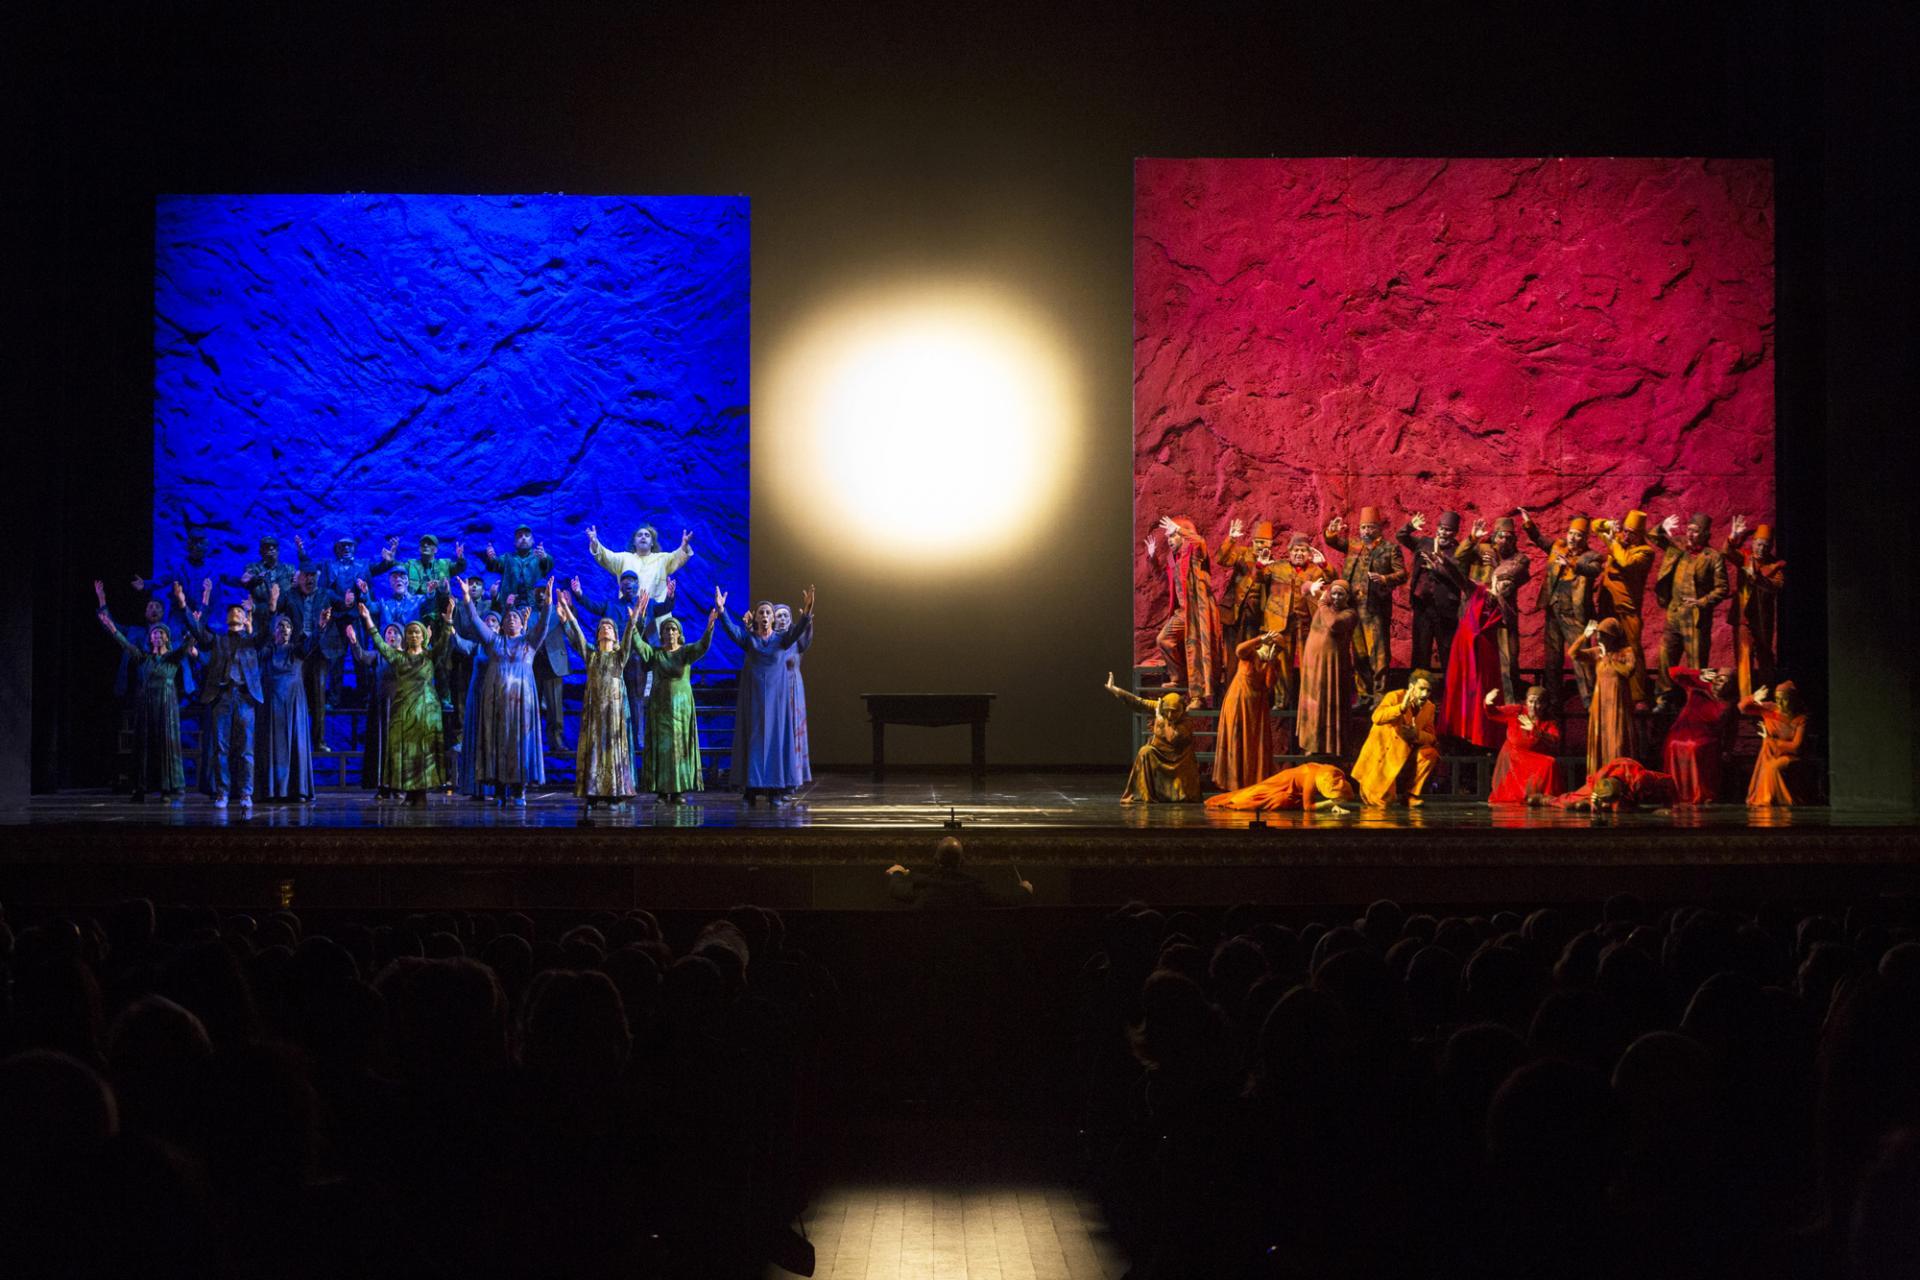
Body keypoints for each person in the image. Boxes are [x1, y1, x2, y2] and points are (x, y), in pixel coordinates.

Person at [458, 577, 552, 806]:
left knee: (520, 742)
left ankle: (519, 790)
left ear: (522, 624)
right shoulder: (493, 642)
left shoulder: (529, 643)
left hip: (522, 703)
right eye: (508, 617)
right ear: (502, 625)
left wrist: (548, 604)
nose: (511, 620)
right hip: (496, 702)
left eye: (516, 618)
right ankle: (499, 789)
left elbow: (543, 627)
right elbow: (474, 620)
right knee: (496, 741)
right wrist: (467, 598)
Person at [95, 591, 196, 802]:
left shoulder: (172, 658)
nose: (157, 636)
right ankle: (140, 787)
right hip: (145, 702)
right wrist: (112, 627)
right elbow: (125, 644)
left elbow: (188, 645)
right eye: (154, 634)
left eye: (161, 634)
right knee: (143, 743)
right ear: (150, 638)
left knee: (166, 744)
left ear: (167, 638)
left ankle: (167, 788)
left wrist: (194, 622)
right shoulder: (143, 658)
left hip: (166, 704)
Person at [720, 590, 815, 802]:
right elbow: (732, 631)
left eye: (768, 613)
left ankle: (775, 790)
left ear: (772, 618)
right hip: (753, 699)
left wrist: (807, 612)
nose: (765, 616)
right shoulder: (749, 639)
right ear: (755, 617)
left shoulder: (782, 640)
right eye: (761, 612)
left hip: (776, 701)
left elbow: (800, 630)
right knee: (753, 741)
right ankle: (752, 789)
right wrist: (721, 610)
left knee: (775, 740)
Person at [353, 599, 451, 805]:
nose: (413, 635)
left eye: (417, 632)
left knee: (423, 752)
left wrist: (449, 622)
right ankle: (409, 792)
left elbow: (443, 644)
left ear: (423, 636)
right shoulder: (398, 658)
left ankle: (421, 792)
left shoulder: (429, 656)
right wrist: (368, 619)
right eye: (410, 632)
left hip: (425, 710)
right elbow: (379, 642)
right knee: (405, 752)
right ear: (405, 637)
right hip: (403, 710)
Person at [178, 584, 264, 810]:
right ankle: (222, 792)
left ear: (246, 618)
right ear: (226, 618)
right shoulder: (217, 640)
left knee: (246, 750)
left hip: (245, 698)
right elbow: (198, 631)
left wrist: (259, 616)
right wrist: (183, 605)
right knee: (221, 748)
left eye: (240, 611)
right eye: (232, 611)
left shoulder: (252, 640)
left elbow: (266, 635)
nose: (235, 613)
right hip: (222, 697)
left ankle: (246, 793)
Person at [554, 591, 641, 809]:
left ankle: (613, 793)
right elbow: (578, 636)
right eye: (602, 627)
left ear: (615, 634)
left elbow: (630, 640)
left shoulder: (619, 657)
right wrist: (568, 612)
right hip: (594, 709)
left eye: (609, 627)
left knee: (613, 748)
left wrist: (634, 619)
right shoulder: (592, 655)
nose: (605, 628)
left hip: (614, 710)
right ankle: (592, 793)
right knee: (594, 747)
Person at [632, 593, 721, 804]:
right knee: (662, 748)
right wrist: (636, 622)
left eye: (673, 629)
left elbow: (703, 646)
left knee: (680, 748)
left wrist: (710, 627)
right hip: (660, 708)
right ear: (661, 634)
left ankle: (679, 790)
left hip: (682, 709)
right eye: (666, 629)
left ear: (679, 633)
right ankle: (662, 791)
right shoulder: (655, 653)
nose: (670, 632)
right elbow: (638, 645)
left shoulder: (686, 652)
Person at [1323, 506, 1406, 707]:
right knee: (1358, 653)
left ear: (1378, 528)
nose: (1366, 532)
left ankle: (1379, 695)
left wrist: (1384, 578)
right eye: (1363, 528)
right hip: (1353, 608)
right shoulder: (1353, 545)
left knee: (1378, 654)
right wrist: (1331, 530)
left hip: (1375, 609)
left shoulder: (1389, 549)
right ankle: (1363, 694)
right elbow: (1332, 541)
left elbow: (1402, 574)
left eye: (1369, 527)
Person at [1650, 514, 1731, 711]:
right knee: (1666, 657)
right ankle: (1664, 698)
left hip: (1696, 618)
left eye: (1695, 531)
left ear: (1705, 535)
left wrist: (1702, 601)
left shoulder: (1712, 557)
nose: (1690, 534)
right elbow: (1653, 536)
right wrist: (1662, 525)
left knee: (1696, 662)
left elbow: (1722, 588)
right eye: (1689, 529)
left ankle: (1694, 702)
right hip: (1674, 613)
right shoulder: (1677, 545)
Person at [1520, 509, 1597, 712]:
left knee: (1581, 658)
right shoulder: (1558, 547)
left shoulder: (1591, 556)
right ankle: (1553, 703)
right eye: (1571, 533)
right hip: (1553, 611)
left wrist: (1571, 563)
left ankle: (1590, 702)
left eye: (1578, 534)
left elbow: (1593, 570)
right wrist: (1528, 522)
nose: (1573, 538)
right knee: (1552, 661)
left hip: (1574, 615)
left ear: (1585, 537)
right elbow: (1539, 539)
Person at [1144, 514, 1225, 708]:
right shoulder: (1174, 560)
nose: (1170, 540)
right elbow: (1165, 580)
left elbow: (1200, 542)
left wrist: (1179, 528)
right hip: (1182, 612)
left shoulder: (1195, 555)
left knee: (1197, 650)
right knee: (1164, 639)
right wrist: (1152, 557)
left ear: (1182, 536)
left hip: (1198, 612)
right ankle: (1178, 677)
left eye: (1173, 536)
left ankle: (1198, 697)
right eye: (1169, 537)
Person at [1432, 556, 1506, 749]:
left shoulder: (1502, 603)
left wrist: (1501, 595)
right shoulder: (1477, 591)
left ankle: (1481, 735)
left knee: (1484, 687)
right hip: (1465, 646)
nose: (1501, 584)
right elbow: (1460, 578)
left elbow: (1509, 620)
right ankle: (1459, 732)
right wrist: (1445, 560)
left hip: (1486, 649)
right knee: (1462, 687)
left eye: (1505, 582)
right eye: (1498, 580)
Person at [1587, 510, 1656, 706]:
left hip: (1627, 608)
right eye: (1625, 531)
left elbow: (1625, 562)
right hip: (1607, 605)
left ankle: (1638, 696)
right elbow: (1594, 526)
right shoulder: (1618, 539)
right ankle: (1605, 688)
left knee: (1632, 648)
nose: (1626, 535)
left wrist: (1613, 542)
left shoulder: (1644, 552)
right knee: (1605, 647)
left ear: (1640, 534)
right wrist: (1609, 524)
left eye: (1631, 533)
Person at [1459, 516, 1531, 700]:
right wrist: (1472, 538)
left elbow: (1509, 576)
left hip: (1503, 616)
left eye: (1508, 537)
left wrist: (1495, 565)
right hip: (1477, 614)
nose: (1504, 541)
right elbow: (1458, 556)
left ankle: (1509, 705)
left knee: (1508, 661)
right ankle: (1473, 704)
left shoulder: (1520, 559)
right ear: (1494, 536)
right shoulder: (1481, 549)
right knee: (1475, 660)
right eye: (1500, 536)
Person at [1103, 672, 1201, 803]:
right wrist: (1115, 689)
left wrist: (1160, 719)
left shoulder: (1185, 722)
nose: (1171, 715)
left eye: (1174, 711)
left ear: (1182, 709)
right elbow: (1139, 703)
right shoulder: (1161, 708)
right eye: (1168, 711)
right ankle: (1144, 794)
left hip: (1178, 759)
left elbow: (1172, 738)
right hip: (1160, 754)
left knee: (1151, 751)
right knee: (1145, 752)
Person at [253, 608, 317, 803]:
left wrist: (320, 627)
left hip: (294, 703)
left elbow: (310, 644)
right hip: (271, 704)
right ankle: (272, 790)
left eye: (288, 626)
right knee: (272, 745)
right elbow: (255, 648)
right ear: (274, 630)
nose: (285, 629)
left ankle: (298, 790)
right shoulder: (267, 651)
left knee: (295, 743)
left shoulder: (296, 650)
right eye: (281, 626)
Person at [1258, 534, 1329, 709]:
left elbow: (1331, 580)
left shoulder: (1315, 570)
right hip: (1280, 622)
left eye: (1303, 550)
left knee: (1309, 662)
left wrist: (1324, 564)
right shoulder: (1277, 567)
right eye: (1296, 550)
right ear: (1289, 552)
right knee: (1281, 662)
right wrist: (1260, 564)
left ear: (1309, 553)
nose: (1299, 553)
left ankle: (1308, 701)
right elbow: (1258, 578)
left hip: (1306, 623)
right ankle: (1282, 700)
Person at [1351, 669, 1440, 807]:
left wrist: (1416, 734)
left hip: (1404, 757)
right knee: (1383, 803)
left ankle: (1410, 796)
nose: (1425, 694)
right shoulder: (1394, 696)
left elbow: (1431, 737)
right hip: (1383, 758)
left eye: (1428, 691)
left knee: (1429, 754)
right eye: (1421, 689)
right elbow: (1377, 717)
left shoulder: (1429, 707)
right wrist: (1401, 708)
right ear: (1411, 687)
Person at [1293, 577, 1358, 757]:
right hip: (1313, 662)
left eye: (1340, 594)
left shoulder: (1350, 613)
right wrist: (1310, 586)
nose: (1336, 597)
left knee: (1329, 699)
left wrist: (1322, 603)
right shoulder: (1325, 600)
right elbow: (1304, 588)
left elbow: (1334, 624)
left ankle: (1330, 745)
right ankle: (1310, 743)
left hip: (1333, 665)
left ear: (1346, 597)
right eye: (1334, 593)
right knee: (1313, 700)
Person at [1211, 631, 1284, 791]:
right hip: (1239, 703)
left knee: (1254, 744)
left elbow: (1269, 685)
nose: (1275, 651)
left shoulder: (1274, 663)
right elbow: (1239, 650)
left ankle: (1253, 781)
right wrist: (1259, 639)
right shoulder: (1250, 654)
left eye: (1279, 650)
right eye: (1274, 647)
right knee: (1238, 740)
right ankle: (1235, 783)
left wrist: (1271, 662)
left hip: (1257, 710)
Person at [1399, 511, 1468, 672]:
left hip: (1446, 609)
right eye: (1442, 528)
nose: (1444, 532)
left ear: (1455, 533)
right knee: (1421, 650)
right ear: (1437, 529)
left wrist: (1438, 569)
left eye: (1448, 530)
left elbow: (1460, 579)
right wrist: (1410, 526)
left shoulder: (1460, 552)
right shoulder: (1424, 543)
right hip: (1422, 606)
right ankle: (1418, 689)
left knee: (1448, 651)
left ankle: (1450, 691)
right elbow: (1401, 536)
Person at [1568, 618, 1637, 776]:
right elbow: (1573, 654)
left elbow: (1628, 672)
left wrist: (1608, 658)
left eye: (1604, 635)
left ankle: (1618, 776)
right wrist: (1584, 636)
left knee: (1617, 740)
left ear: (1613, 636)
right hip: (1601, 705)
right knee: (1602, 739)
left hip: (1618, 704)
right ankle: (1601, 777)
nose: (1600, 639)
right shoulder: (1598, 652)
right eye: (1599, 635)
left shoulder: (1626, 652)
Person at [1724, 515, 1784, 699]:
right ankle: (1746, 699)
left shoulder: (1776, 566)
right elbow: (1727, 551)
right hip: (1743, 618)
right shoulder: (1745, 557)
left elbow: (1776, 585)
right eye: (1759, 544)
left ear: (1771, 547)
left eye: (1766, 545)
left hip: (1762, 621)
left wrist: (1757, 577)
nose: (1761, 548)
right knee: (1744, 659)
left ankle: (1765, 696)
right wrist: (1733, 537)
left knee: (1765, 659)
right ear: (1753, 543)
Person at [1662, 666, 1736, 805]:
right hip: (1682, 732)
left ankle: (1699, 794)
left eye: (1728, 682)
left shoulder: (1729, 703)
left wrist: (1728, 749)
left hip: (1707, 737)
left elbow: (1732, 729)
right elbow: (1673, 672)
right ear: (1714, 678)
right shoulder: (1700, 685)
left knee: (1695, 748)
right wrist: (1698, 673)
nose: (1723, 683)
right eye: (1720, 679)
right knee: (1674, 743)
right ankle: (1676, 794)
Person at [885, 837, 1034, 907]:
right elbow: (1005, 900)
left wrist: (898, 872)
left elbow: (896, 889)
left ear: (935, 860)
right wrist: (1025, 890)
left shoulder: (925, 886)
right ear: (962, 861)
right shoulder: (974, 887)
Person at [347, 621, 404, 800]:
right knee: (382, 746)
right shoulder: (378, 656)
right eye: (388, 633)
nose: (391, 635)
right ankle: (383, 786)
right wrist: (354, 642)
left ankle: (399, 786)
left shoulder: (407, 657)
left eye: (395, 632)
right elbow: (362, 656)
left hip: (400, 708)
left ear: (402, 637)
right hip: (381, 708)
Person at [1215, 517, 1276, 680]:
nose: (1260, 545)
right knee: (1232, 659)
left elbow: (1266, 581)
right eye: (1257, 542)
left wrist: (1262, 566)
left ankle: (1249, 694)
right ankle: (1229, 695)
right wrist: (1231, 538)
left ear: (1270, 544)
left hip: (1254, 618)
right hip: (1234, 614)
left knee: (1250, 656)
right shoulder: (1242, 553)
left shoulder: (1272, 564)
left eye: (1264, 542)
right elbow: (1220, 559)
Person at [1484, 686, 1562, 804]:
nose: (1533, 706)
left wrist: (1536, 731)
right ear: (1526, 701)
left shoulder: (1548, 720)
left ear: (1545, 705)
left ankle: (1545, 798)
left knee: (1550, 763)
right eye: (1531, 702)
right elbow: (1494, 712)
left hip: (1533, 756)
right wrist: (1488, 702)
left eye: (1538, 702)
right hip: (1513, 755)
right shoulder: (1517, 711)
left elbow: (1555, 739)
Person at [586, 521, 691, 607]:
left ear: (652, 543)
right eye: (639, 535)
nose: (643, 537)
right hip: (629, 614)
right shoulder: (624, 558)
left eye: (647, 535)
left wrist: (684, 546)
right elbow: (605, 556)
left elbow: (678, 556)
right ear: (634, 542)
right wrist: (595, 543)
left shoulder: (663, 559)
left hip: (657, 615)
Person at [1740, 682, 1806, 806]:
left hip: (1788, 755)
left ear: (1793, 700)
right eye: (1777, 699)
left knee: (1772, 767)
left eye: (1784, 700)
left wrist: (1771, 740)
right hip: (1769, 752)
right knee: (1768, 765)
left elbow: (1796, 747)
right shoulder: (1771, 709)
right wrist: (1753, 697)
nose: (1780, 704)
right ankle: (1769, 800)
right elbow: (1743, 708)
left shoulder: (1800, 719)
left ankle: (1779, 801)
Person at [1204, 762, 1355, 814]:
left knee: (1285, 800)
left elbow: (1341, 790)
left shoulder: (1331, 772)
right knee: (1249, 798)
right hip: (1281, 785)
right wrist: (1332, 803)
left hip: (1294, 792)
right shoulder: (1311, 778)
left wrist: (1335, 802)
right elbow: (1308, 807)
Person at [527, 582, 573, 753]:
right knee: (531, 709)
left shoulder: (557, 609)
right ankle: (532, 744)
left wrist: (569, 608)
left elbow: (569, 626)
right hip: (532, 666)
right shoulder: (527, 612)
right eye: (537, 592)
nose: (541, 595)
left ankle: (557, 740)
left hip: (553, 665)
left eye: (544, 592)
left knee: (555, 709)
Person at [1553, 758, 1678, 811]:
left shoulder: (1639, 780)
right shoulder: (1601, 777)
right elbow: (1596, 789)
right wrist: (1594, 802)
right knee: (1569, 800)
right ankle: (1545, 800)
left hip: (1642, 788)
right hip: (1605, 787)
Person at [479, 526, 553, 613]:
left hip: (533, 607)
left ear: (532, 540)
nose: (524, 538)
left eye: (527, 535)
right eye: (520, 536)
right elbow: (494, 566)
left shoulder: (538, 557)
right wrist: (491, 558)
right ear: (514, 543)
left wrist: (545, 557)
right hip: (510, 606)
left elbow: (549, 565)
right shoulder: (507, 558)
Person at [238, 536, 297, 612]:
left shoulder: (288, 569)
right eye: (267, 547)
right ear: (261, 551)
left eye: (274, 547)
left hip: (283, 614)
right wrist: (255, 578)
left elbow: (298, 583)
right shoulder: (254, 568)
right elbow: (244, 580)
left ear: (278, 550)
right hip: (260, 612)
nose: (271, 549)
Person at [404, 534, 466, 606]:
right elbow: (396, 569)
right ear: (419, 549)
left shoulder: (445, 564)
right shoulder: (411, 565)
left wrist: (461, 559)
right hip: (418, 610)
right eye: (423, 544)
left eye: (429, 543)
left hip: (442, 609)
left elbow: (460, 568)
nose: (425, 545)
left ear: (436, 550)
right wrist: (390, 561)